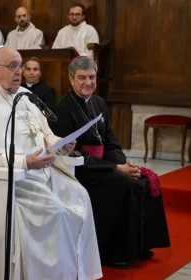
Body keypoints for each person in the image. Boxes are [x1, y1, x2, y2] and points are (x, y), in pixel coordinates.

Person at [0, 46, 102, 280]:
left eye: (20, 66)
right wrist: (25, 162)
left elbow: (43, 132)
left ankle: (76, 272)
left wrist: (60, 142)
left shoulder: (24, 95)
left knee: (80, 195)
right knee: (58, 212)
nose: (19, 72)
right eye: (12, 66)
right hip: (15, 180)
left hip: (44, 171)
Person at [50, 56, 171, 268]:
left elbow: (111, 141)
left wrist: (124, 164)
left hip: (104, 165)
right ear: (71, 79)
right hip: (82, 170)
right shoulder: (61, 109)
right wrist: (115, 168)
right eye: (82, 78)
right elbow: (74, 153)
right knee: (122, 185)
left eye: (92, 77)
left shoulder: (99, 103)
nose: (88, 82)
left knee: (145, 180)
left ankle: (141, 246)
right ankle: (116, 253)